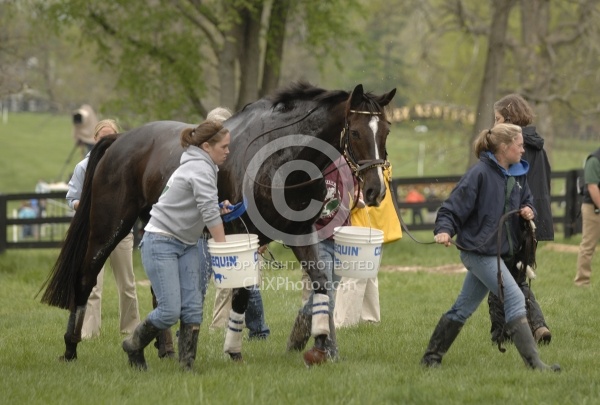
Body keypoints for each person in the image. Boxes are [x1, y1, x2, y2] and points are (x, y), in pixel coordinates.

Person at [421, 123, 560, 372]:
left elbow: (527, 200)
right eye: (519, 145)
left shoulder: (518, 175)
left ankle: (431, 358)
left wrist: (529, 210)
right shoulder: (479, 174)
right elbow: (451, 208)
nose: (523, 150)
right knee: (516, 297)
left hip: (496, 253)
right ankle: (535, 364)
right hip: (477, 251)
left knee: (463, 307)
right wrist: (443, 230)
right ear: (504, 147)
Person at [122, 119, 232, 371]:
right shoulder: (200, 169)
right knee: (170, 311)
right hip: (161, 242)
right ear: (206, 146)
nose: (227, 151)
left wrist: (217, 207)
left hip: (187, 243)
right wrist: (224, 248)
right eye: (224, 147)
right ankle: (133, 345)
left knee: (193, 307)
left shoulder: (204, 165)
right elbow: (207, 213)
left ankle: (187, 365)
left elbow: (202, 206)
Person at [66, 119, 140, 339]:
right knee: (93, 285)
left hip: (120, 232)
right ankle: (89, 332)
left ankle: (131, 328)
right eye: (102, 138)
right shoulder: (83, 167)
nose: (107, 142)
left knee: (127, 283)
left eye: (112, 138)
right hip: (92, 234)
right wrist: (85, 205)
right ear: (95, 140)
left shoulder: (127, 167)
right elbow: (72, 198)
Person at [201, 107, 270, 340]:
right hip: (211, 229)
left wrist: (262, 238)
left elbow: (258, 199)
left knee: (247, 282)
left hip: (242, 232)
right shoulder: (206, 165)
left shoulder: (245, 159)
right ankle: (219, 327)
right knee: (222, 282)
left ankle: (257, 330)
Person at [489, 94, 552, 345]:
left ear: (510, 119)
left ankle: (516, 330)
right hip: (534, 219)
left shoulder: (512, 147)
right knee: (513, 273)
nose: (494, 125)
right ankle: (530, 328)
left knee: (501, 275)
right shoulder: (539, 147)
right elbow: (545, 182)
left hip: (515, 219)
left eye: (498, 119)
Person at [287, 156, 357, 359]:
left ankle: (295, 342)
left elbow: (350, 191)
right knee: (326, 297)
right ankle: (330, 351)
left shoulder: (346, 164)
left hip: (341, 238)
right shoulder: (313, 162)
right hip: (317, 238)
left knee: (322, 296)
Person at [333, 164, 402, 328]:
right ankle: (353, 322)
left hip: (370, 228)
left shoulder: (373, 165)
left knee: (365, 274)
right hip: (360, 228)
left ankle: (361, 321)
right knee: (356, 275)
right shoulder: (361, 165)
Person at [574, 148, 600, 286]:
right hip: (593, 208)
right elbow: (592, 187)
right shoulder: (594, 160)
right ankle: (582, 282)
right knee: (588, 246)